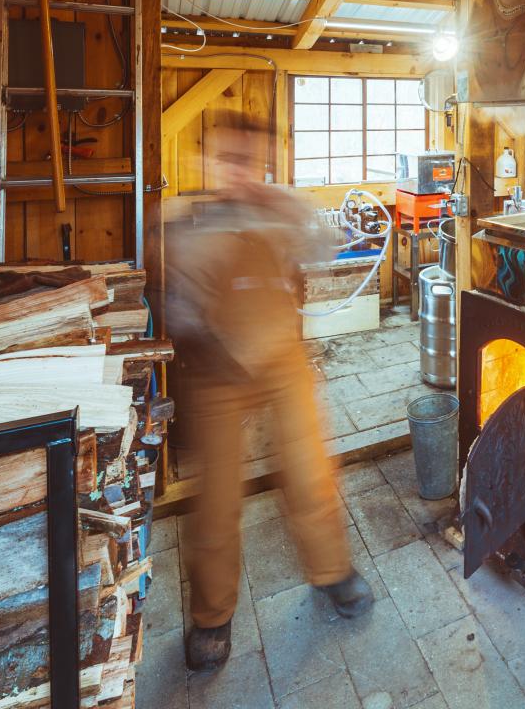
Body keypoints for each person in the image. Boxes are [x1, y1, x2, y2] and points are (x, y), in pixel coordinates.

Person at [165, 114, 373, 672]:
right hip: (216, 368)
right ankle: (212, 616)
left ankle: (332, 570)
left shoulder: (283, 208)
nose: (240, 172)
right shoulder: (192, 228)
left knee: (310, 469)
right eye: (228, 161)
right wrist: (212, 354)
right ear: (208, 164)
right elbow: (179, 312)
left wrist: (291, 213)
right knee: (216, 499)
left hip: (282, 357)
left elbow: (330, 248)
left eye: (249, 161)